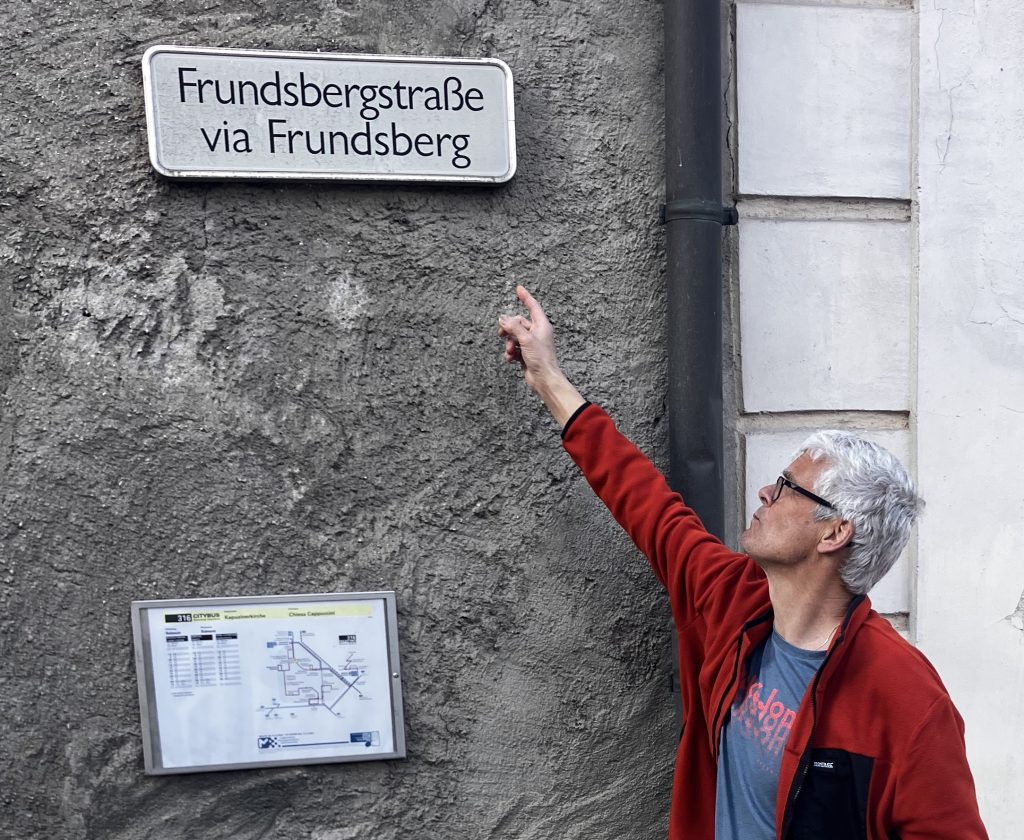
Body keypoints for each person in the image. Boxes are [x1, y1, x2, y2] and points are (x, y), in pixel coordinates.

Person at [498, 286, 987, 840]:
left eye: (787, 487)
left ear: (835, 532)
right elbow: (646, 502)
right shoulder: (733, 600)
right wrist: (548, 377)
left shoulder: (905, 697)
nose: (765, 492)